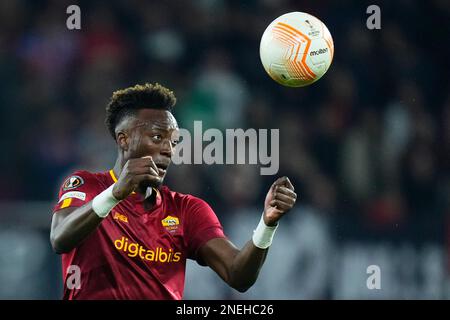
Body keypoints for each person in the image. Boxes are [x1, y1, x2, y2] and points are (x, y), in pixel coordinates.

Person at [50, 83, 297, 299]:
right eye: (157, 137)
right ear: (123, 139)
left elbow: (237, 276)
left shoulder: (187, 210)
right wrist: (115, 194)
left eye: (174, 141)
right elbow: (60, 238)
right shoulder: (87, 185)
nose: (169, 149)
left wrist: (267, 225)